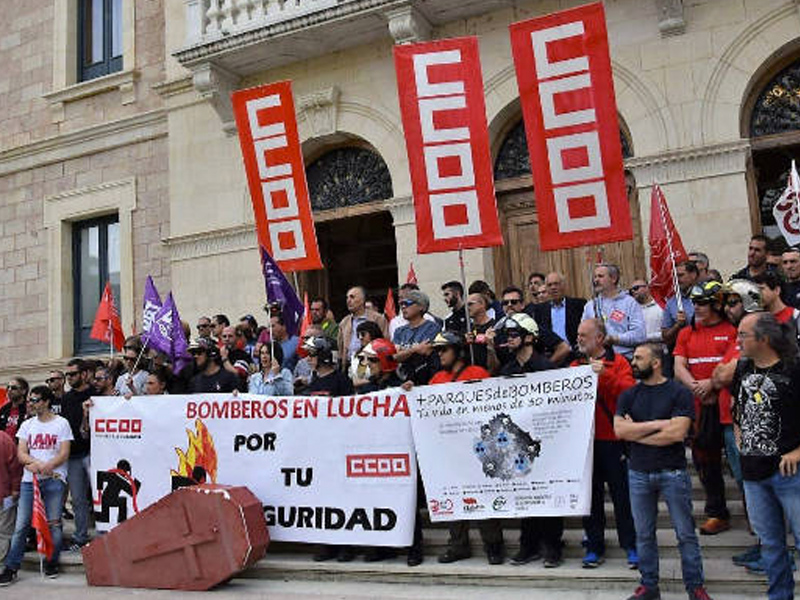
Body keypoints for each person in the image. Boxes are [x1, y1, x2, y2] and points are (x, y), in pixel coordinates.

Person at [614, 343, 711, 600]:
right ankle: (648, 586)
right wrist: (658, 425)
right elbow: (620, 431)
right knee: (644, 534)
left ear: (656, 363)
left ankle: (695, 587)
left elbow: (677, 433)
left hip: (673, 472)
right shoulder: (628, 395)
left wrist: (638, 433)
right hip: (638, 472)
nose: (633, 362)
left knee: (685, 534)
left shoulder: (679, 393)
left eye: (638, 358)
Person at [733, 312, 800, 600]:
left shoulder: (794, 369)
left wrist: (798, 451)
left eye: (743, 335)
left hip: (789, 473)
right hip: (753, 472)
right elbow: (738, 408)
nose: (737, 341)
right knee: (770, 545)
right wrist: (739, 436)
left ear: (764, 338)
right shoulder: (743, 369)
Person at [427, 331, 505, 566]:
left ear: (458, 350)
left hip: (478, 450)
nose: (439, 354)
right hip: (449, 452)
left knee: (483, 498)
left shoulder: (478, 374)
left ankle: (494, 545)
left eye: (444, 349)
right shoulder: (437, 378)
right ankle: (458, 545)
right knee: (453, 497)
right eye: (437, 350)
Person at [496, 314, 563, 568]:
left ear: (530, 338)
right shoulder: (507, 370)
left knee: (547, 496)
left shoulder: (547, 368)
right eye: (508, 335)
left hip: (547, 442)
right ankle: (529, 546)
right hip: (519, 445)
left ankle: (553, 547)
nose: (509, 339)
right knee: (524, 496)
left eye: (514, 334)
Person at [572, 319, 638, 570]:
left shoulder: (619, 362)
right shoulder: (574, 365)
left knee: (622, 497)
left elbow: (628, 393)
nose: (579, 339)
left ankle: (631, 545)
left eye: (584, 335)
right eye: (578, 335)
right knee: (591, 498)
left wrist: (604, 374)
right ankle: (594, 545)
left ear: (600, 338)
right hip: (586, 443)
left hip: (613, 440)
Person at [673, 281, 737, 535]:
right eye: (695, 303)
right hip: (699, 407)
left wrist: (712, 383)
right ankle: (717, 513)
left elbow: (734, 363)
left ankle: (756, 518)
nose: (697, 308)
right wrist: (697, 387)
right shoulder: (686, 332)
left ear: (716, 304)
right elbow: (679, 367)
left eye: (702, 303)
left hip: (727, 406)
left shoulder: (732, 330)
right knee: (705, 463)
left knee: (739, 464)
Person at [712, 279, 763, 570]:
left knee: (759, 487)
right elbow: (721, 375)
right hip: (731, 423)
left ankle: (777, 549)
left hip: (752, 425)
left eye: (733, 302)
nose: (726, 309)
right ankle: (762, 543)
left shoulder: (759, 332)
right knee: (747, 487)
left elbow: (723, 374)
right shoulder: (737, 337)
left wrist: (724, 372)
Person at [0, 386, 73, 584]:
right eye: (30, 400)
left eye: (35, 400)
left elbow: (64, 452)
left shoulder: (62, 423)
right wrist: (38, 464)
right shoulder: (27, 424)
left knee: (54, 523)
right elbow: (21, 452)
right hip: (29, 481)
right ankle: (11, 567)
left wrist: (49, 465)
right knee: (21, 525)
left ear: (47, 401)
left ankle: (51, 561)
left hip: (54, 479)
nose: (31, 403)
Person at [302, 336, 356, 563]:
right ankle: (325, 542)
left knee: (342, 499)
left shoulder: (341, 381)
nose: (308, 359)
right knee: (320, 499)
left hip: (339, 449)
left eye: (312, 354)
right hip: (317, 450)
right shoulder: (309, 385)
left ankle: (345, 546)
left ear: (324, 355)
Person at [61, 359, 94, 551]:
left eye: (73, 374)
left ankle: (106, 533)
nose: (69, 378)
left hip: (93, 453)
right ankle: (80, 536)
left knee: (100, 495)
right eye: (67, 375)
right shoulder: (66, 398)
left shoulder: (95, 394)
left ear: (83, 374)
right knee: (78, 498)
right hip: (73, 455)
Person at [582, 263, 646, 359]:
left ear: (613, 279)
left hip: (624, 358)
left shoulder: (629, 303)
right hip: (597, 361)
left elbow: (639, 335)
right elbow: (582, 334)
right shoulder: (590, 306)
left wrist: (615, 339)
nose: (596, 280)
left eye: (600, 276)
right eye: (595, 277)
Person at [499, 286, 570, 366]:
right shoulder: (498, 329)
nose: (509, 305)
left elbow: (564, 348)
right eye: (505, 303)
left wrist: (546, 368)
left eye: (514, 302)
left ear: (522, 305)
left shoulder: (532, 327)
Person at [392, 290, 440, 385]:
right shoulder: (399, 331)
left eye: (407, 303)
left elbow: (425, 351)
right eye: (401, 304)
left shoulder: (432, 328)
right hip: (403, 379)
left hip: (425, 378)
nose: (403, 307)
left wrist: (404, 352)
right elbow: (395, 357)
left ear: (421, 306)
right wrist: (415, 349)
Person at [531, 271, 586, 350]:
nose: (553, 287)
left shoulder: (578, 305)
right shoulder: (540, 310)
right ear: (546, 288)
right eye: (549, 285)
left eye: (556, 284)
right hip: (551, 353)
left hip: (575, 352)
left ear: (563, 286)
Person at [338, 286, 389, 371]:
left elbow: (385, 342)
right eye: (347, 297)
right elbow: (341, 347)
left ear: (362, 300)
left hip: (372, 365)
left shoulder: (377, 318)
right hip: (349, 365)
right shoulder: (344, 322)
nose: (348, 301)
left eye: (352, 297)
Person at [661, 261, 699, 351]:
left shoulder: (706, 296)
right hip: (681, 350)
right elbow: (665, 337)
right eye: (675, 276)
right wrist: (677, 325)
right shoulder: (671, 303)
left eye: (681, 275)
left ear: (693, 275)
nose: (677, 280)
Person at [0, 430, 22, 563]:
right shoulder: (5, 439)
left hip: (5, 494)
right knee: (4, 533)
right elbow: (15, 468)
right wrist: (15, 489)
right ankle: (2, 565)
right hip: (5, 494)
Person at [464, 292, 498, 372]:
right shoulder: (467, 329)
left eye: (470, 304)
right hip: (472, 374)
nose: (467, 308)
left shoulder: (495, 327)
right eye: (466, 305)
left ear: (482, 304)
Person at [349, 321, 384, 389]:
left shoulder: (383, 351)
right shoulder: (355, 355)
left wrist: (368, 381)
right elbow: (354, 376)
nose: (360, 337)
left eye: (363, 334)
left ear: (372, 333)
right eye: (358, 335)